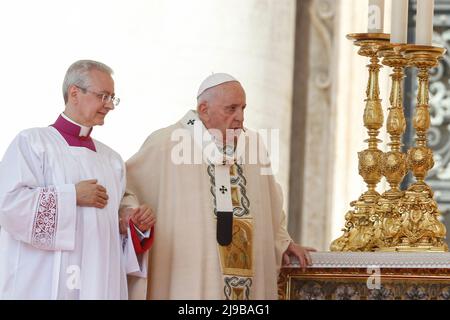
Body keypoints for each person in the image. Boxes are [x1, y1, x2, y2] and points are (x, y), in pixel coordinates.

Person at [122, 73, 315, 300]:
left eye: (243, 108)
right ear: (204, 110)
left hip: (249, 280)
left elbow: (271, 202)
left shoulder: (253, 145)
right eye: (231, 109)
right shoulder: (167, 143)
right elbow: (127, 188)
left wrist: (284, 241)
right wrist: (130, 215)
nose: (240, 117)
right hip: (189, 277)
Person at [0, 60, 155, 299]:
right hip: (44, 279)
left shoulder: (112, 160)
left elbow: (107, 225)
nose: (110, 105)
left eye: (113, 98)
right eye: (103, 96)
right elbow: (10, 207)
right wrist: (72, 196)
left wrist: (128, 225)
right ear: (74, 93)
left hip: (99, 278)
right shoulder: (32, 143)